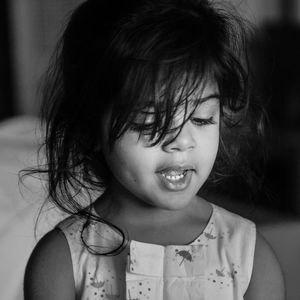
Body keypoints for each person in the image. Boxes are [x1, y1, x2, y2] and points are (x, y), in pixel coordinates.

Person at [23, 0, 285, 299]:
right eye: (150, 124)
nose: (182, 142)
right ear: (90, 128)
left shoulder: (249, 256)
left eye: (201, 118)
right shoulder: (61, 261)